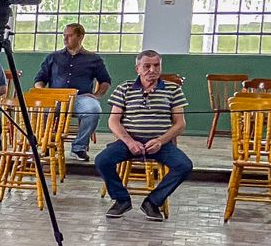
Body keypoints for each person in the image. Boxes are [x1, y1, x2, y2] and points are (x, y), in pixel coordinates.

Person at [95, 49, 191, 222]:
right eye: (147, 66)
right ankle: (122, 199)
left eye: (156, 65)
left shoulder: (173, 90)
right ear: (137, 68)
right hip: (129, 142)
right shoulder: (124, 88)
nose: (152, 70)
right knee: (102, 160)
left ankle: (153, 202)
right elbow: (113, 121)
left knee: (184, 165)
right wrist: (129, 142)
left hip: (160, 144)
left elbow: (180, 123)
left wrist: (161, 141)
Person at [35, 23, 112, 163]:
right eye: (64, 35)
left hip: (80, 98)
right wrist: (42, 93)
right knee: (41, 109)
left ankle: (79, 147)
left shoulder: (93, 59)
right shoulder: (53, 57)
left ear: (80, 37)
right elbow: (40, 79)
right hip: (56, 97)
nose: (65, 39)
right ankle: (46, 143)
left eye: (69, 35)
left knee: (94, 110)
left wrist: (96, 96)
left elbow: (105, 81)